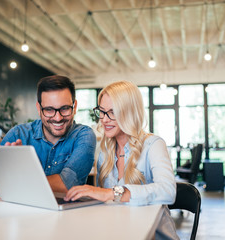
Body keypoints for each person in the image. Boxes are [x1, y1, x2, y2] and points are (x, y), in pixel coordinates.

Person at [64, 81, 179, 240]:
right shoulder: (105, 152)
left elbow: (168, 191)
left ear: (130, 113)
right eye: (102, 112)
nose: (104, 119)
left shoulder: (153, 145)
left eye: (112, 112)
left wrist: (112, 193)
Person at [0, 75, 96, 195]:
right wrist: (6, 165)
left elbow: (68, 184)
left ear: (75, 106)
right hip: (23, 211)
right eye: (49, 110)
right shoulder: (18, 134)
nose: (58, 118)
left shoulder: (84, 136)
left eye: (65, 108)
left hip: (66, 212)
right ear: (38, 108)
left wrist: (14, 179)